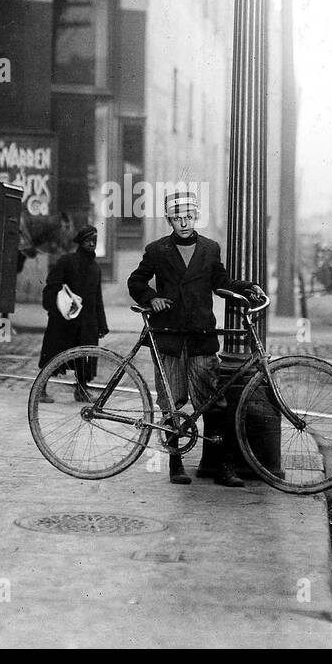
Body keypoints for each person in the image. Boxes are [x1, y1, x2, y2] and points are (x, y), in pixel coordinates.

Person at [128, 190, 263, 487]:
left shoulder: (210, 249)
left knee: (213, 403)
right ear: (169, 220)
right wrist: (151, 298)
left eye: (188, 216)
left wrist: (246, 287)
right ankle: (176, 463)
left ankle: (219, 466)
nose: (184, 223)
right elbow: (136, 281)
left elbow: (221, 283)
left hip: (201, 337)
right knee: (172, 404)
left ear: (195, 216)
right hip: (169, 338)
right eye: (177, 218)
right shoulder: (156, 250)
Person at [37, 225, 109, 402]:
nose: (92, 243)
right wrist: (54, 310)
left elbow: (97, 298)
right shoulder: (67, 261)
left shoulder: (95, 268)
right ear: (80, 242)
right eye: (88, 240)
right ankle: (41, 390)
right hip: (64, 320)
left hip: (87, 322)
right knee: (53, 353)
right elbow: (52, 286)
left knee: (85, 355)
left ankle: (81, 390)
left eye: (95, 240)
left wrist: (101, 324)